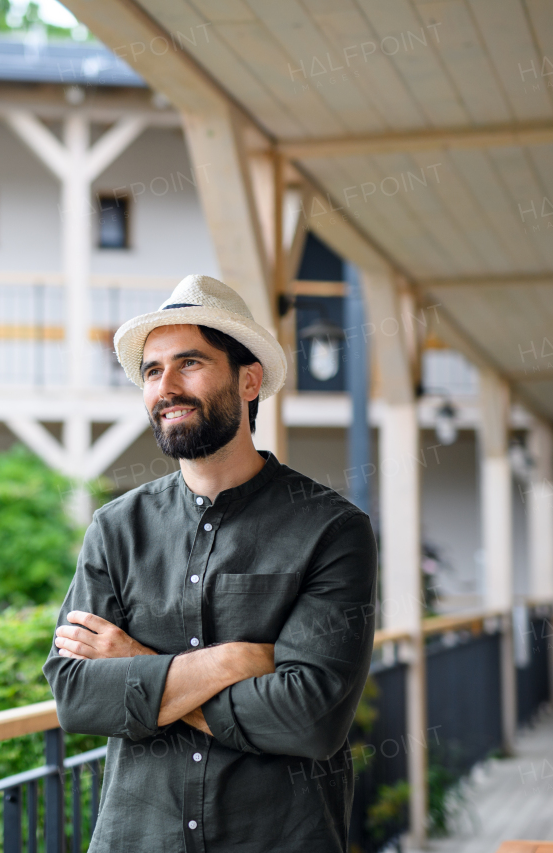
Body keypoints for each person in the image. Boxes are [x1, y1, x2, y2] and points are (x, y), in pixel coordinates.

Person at [43, 274, 378, 852]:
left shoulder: (330, 529)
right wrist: (233, 662)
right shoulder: (116, 529)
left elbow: (309, 720)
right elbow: (77, 695)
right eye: (152, 371)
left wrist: (138, 666)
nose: (165, 387)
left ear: (248, 380)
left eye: (189, 363)